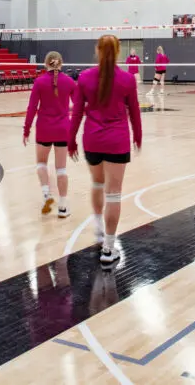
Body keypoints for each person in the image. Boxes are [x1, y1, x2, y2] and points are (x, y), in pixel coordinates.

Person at [68, 35, 142, 265]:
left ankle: (99, 227)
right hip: (116, 141)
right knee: (114, 193)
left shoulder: (84, 77)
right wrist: (138, 136)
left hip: (92, 140)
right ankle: (109, 248)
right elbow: (135, 112)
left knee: (98, 183)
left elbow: (77, 112)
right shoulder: (127, 79)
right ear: (119, 51)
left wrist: (71, 139)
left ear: (97, 50)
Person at [23, 52, 77, 218]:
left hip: (44, 129)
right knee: (61, 170)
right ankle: (62, 207)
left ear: (46, 64)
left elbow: (32, 108)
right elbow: (79, 107)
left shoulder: (39, 82)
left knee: (41, 164)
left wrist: (27, 129)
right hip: (63, 129)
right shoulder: (69, 82)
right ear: (61, 64)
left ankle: (47, 194)